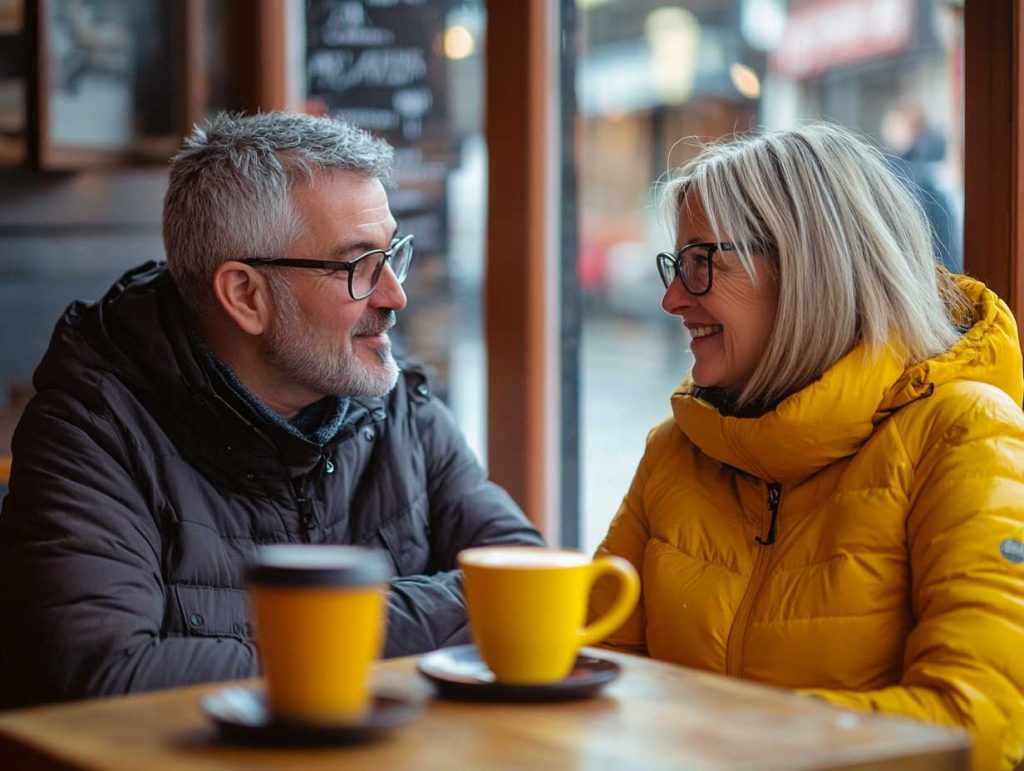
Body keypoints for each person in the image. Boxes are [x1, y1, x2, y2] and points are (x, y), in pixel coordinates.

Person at [0, 112, 543, 708]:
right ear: (244, 296)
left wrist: (318, 637)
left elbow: (531, 586)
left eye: (394, 254)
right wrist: (428, 611)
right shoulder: (92, 433)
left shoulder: (397, 407)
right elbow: (106, 680)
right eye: (359, 265)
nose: (395, 294)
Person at [589, 123, 1024, 770]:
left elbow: (979, 723)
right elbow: (591, 667)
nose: (672, 296)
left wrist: (716, 740)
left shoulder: (961, 433)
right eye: (676, 264)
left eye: (701, 263)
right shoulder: (675, 451)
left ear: (806, 266)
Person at [881, 100, 962, 272]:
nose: (888, 131)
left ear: (910, 127)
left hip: (924, 272)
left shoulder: (913, 174)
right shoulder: (912, 167)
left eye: (894, 125)